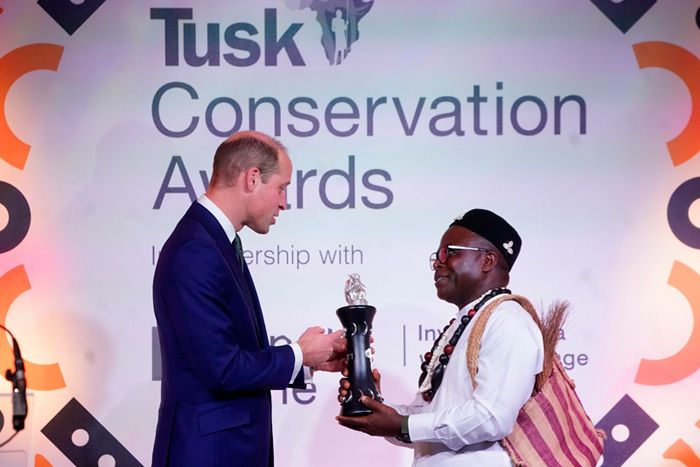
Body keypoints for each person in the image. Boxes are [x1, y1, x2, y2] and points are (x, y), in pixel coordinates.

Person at [152, 130, 344, 467]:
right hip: (208, 456)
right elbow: (222, 369)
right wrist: (299, 352)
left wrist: (307, 362)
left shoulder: (215, 243)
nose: (284, 202)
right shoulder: (196, 250)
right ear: (252, 178)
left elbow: (233, 357)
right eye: (281, 188)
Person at [337, 209, 544, 466]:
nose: (437, 262)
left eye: (449, 252)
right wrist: (373, 403)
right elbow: (427, 424)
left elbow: (491, 417)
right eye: (437, 255)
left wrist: (403, 424)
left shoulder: (507, 320)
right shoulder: (466, 322)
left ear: (488, 260)